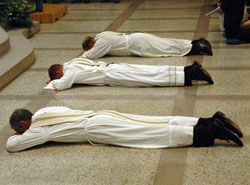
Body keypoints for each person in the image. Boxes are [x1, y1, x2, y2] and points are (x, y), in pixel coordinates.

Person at [6, 106, 243, 152]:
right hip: (101, 113)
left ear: (24, 125)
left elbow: (12, 147)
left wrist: (19, 136)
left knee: (149, 135)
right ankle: (206, 120)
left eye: (20, 129)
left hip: (97, 128)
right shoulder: (46, 111)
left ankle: (210, 131)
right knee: (153, 121)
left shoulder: (38, 130)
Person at [44, 58, 214, 91]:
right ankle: (189, 70)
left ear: (59, 72)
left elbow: (62, 85)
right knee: (150, 71)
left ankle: (190, 74)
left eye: (58, 76)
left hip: (111, 75)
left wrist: (51, 83)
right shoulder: (72, 62)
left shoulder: (69, 71)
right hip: (112, 67)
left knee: (148, 78)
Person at [81, 32, 213, 59]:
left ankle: (199, 48)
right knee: (165, 43)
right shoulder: (102, 34)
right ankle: (196, 42)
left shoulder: (101, 42)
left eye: (90, 47)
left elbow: (91, 55)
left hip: (137, 44)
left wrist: (83, 55)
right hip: (137, 37)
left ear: (91, 43)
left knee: (165, 49)